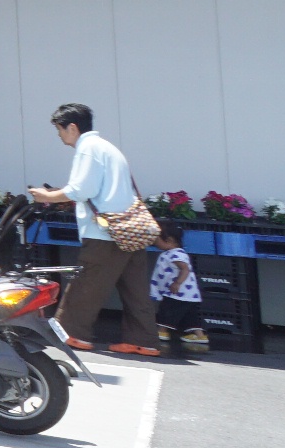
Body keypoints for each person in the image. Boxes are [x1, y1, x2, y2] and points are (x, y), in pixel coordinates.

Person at [27, 102, 158, 355]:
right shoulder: (109, 148)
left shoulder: (87, 149)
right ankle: (144, 341)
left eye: (59, 130)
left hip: (104, 232)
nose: (59, 136)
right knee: (135, 290)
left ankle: (73, 334)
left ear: (72, 127)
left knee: (87, 283)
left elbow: (82, 190)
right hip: (130, 230)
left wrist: (47, 196)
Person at [147, 216, 211, 358]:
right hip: (189, 294)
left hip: (177, 292)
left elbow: (185, 269)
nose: (154, 243)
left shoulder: (175, 254)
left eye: (156, 240)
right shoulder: (171, 253)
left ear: (169, 240)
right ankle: (199, 335)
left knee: (167, 311)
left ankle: (162, 331)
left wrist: (177, 283)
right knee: (190, 316)